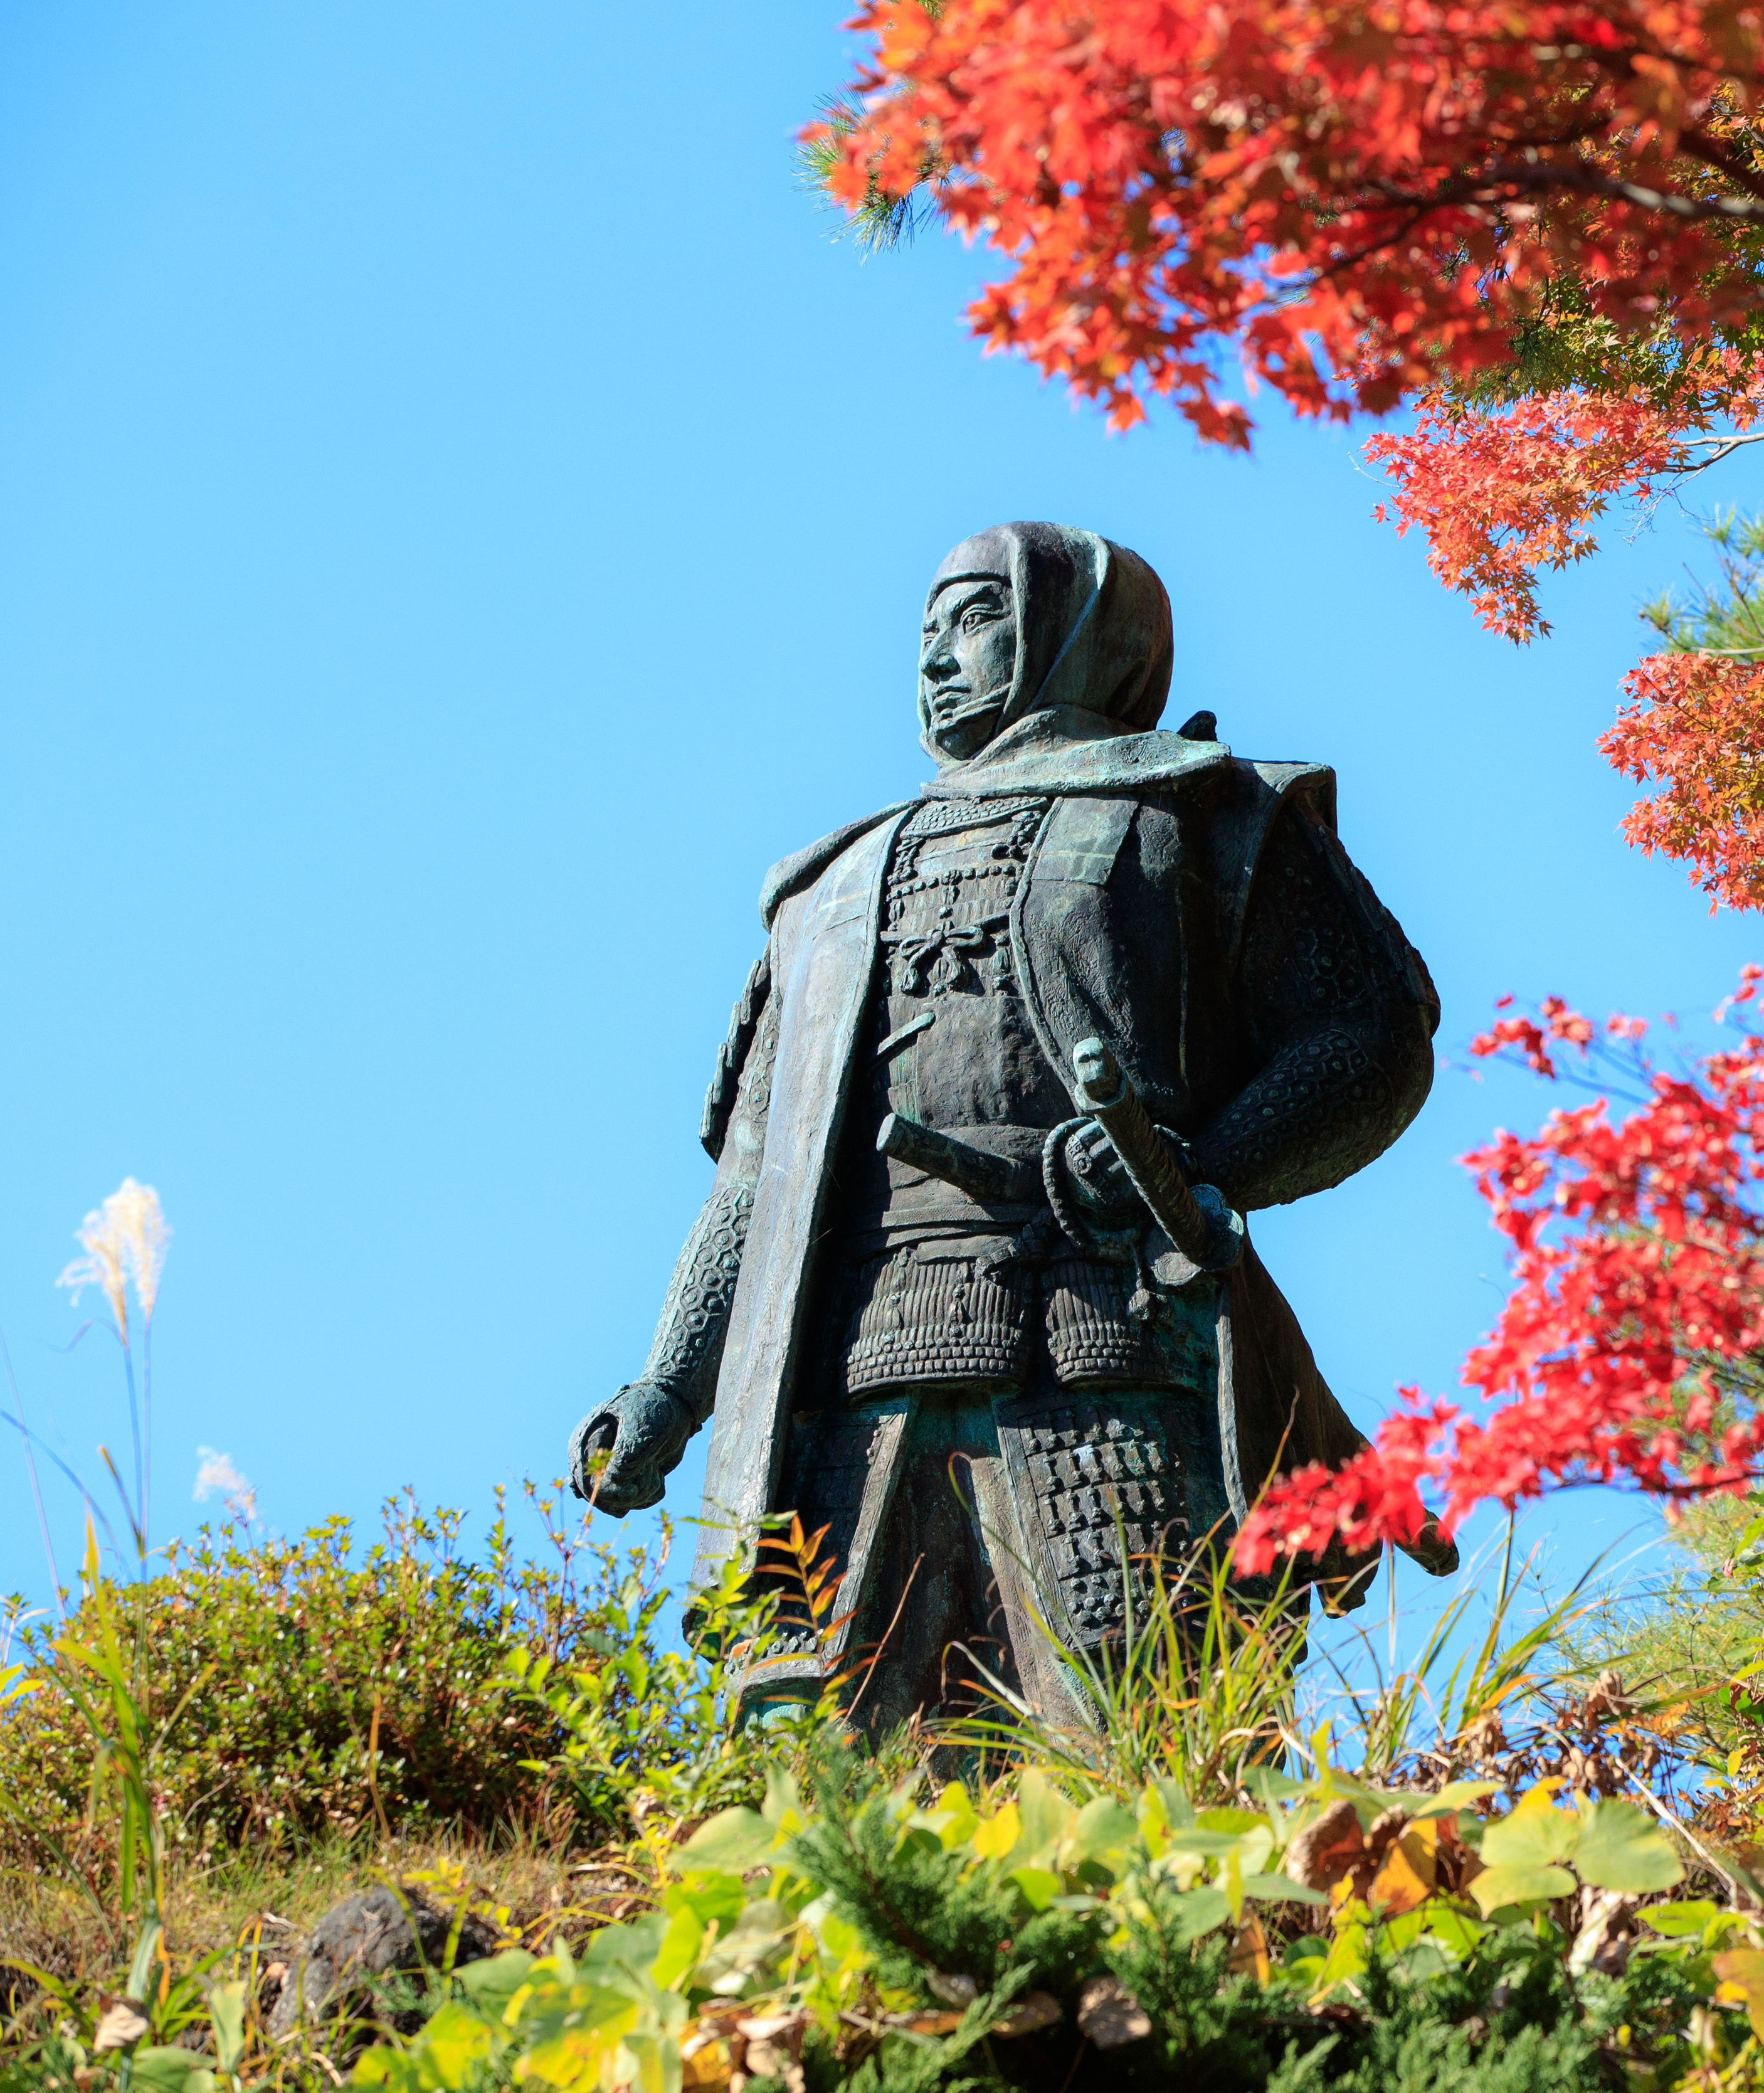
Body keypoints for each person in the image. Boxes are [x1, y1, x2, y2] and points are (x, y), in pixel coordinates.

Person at [569, 522, 1449, 1739]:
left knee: (1138, 1715)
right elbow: (756, 1180)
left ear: (1090, 630)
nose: (938, 654)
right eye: (925, 629)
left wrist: (1200, 1163)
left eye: (977, 617)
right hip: (845, 1369)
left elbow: (1367, 1036)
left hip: (1108, 1331)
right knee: (824, 1753)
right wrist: (667, 1392)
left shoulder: (1200, 811)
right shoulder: (830, 885)